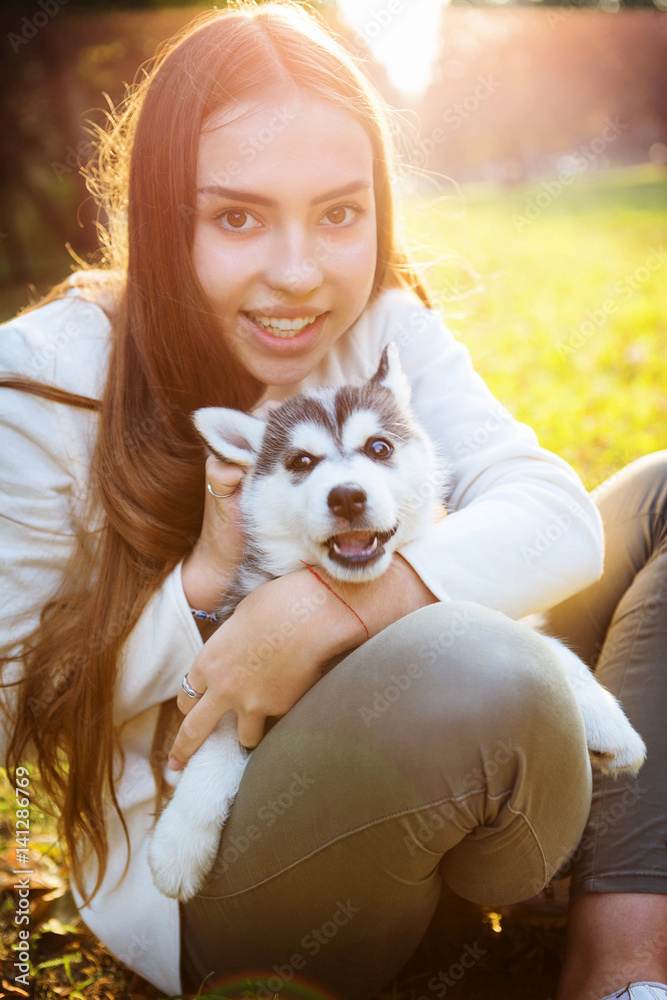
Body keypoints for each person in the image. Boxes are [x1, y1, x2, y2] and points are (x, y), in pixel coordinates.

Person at [0, 3, 664, 999]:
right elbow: (14, 701)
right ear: (158, 214)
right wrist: (208, 601)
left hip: (443, 744)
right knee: (472, 663)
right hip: (222, 865)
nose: (299, 274)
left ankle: (618, 961)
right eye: (236, 215)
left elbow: (549, 513)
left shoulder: (382, 323)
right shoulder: (47, 380)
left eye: (339, 213)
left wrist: (328, 604)